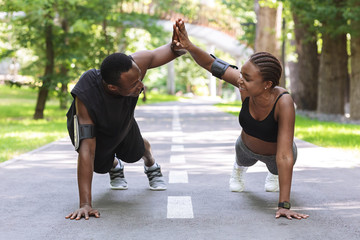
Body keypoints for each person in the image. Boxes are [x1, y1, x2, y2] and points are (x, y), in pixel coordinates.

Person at [173, 18, 309, 220]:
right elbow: (211, 64)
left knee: (277, 167)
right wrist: (189, 46)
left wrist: (284, 205)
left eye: (247, 77)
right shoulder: (243, 84)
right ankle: (239, 168)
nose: (239, 80)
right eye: (242, 74)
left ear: (267, 84)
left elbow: (285, 155)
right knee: (242, 156)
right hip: (245, 149)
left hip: (275, 156)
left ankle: (273, 174)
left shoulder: (283, 101)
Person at [65, 30, 185, 220]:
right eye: (133, 84)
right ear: (112, 87)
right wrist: (85, 204)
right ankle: (114, 165)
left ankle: (151, 164)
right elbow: (87, 149)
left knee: (135, 153)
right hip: (94, 128)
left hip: (122, 123)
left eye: (140, 79)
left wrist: (180, 46)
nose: (141, 86)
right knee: (99, 165)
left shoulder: (133, 66)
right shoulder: (87, 93)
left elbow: (164, 52)